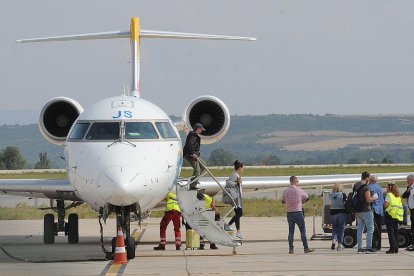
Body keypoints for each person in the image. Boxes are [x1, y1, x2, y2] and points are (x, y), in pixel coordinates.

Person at [282, 176, 314, 254]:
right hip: (298, 212)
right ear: (295, 181)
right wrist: (302, 202)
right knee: (302, 231)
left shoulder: (285, 191)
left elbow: (283, 201)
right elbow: (307, 198)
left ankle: (291, 249)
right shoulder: (300, 190)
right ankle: (306, 248)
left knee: (291, 232)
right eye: (297, 181)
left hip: (289, 213)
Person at [354, 171, 377, 254]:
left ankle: (360, 248)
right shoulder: (366, 187)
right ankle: (368, 247)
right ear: (367, 178)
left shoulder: (356, 185)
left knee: (360, 229)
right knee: (370, 229)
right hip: (366, 210)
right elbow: (368, 199)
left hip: (358, 210)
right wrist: (373, 198)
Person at [223, 160, 245, 239]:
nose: (243, 169)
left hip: (237, 199)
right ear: (239, 167)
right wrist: (237, 183)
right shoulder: (234, 175)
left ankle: (238, 232)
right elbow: (228, 183)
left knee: (237, 214)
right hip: (235, 199)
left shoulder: (236, 175)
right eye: (243, 167)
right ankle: (227, 225)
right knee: (240, 213)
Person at [183, 123, 205, 189]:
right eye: (201, 129)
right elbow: (190, 145)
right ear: (198, 129)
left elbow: (196, 147)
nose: (201, 131)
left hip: (195, 155)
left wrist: (198, 153)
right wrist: (193, 153)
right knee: (197, 170)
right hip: (190, 155)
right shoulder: (192, 135)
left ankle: (194, 180)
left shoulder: (196, 136)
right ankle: (192, 185)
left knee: (203, 165)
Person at [384, 182, 404, 254]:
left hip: (389, 214)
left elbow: (385, 205)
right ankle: (396, 248)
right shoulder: (398, 196)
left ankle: (392, 249)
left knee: (391, 232)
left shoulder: (389, 195)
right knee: (395, 232)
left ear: (389, 188)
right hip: (396, 215)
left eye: (387, 187)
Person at [369, 174, 384, 250]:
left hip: (374, 209)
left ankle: (373, 245)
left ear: (371, 180)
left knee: (373, 228)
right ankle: (379, 246)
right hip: (380, 210)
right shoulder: (380, 188)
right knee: (379, 229)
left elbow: (370, 199)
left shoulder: (370, 187)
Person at [329, 184, 347, 251]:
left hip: (333, 213)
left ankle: (334, 240)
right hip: (341, 212)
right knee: (341, 229)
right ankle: (339, 245)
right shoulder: (343, 195)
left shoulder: (331, 195)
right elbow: (346, 203)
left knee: (334, 228)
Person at [402, 174, 414, 251]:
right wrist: (408, 190)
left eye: (408, 180)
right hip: (412, 210)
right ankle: (413, 244)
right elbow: (403, 196)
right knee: (412, 228)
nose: (407, 181)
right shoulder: (409, 187)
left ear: (412, 180)